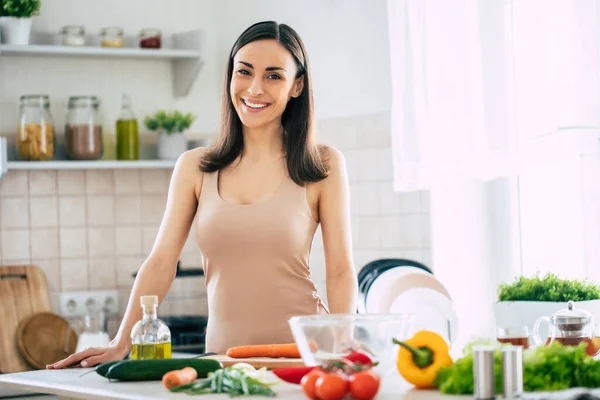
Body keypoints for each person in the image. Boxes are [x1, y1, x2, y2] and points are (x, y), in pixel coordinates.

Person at [48, 20, 358, 369]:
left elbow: (341, 270)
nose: (254, 88)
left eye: (273, 76)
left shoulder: (323, 164)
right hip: (222, 361)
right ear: (230, 77)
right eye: (244, 72)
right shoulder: (195, 167)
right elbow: (161, 262)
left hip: (307, 357)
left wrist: (344, 344)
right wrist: (122, 342)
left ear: (296, 86)